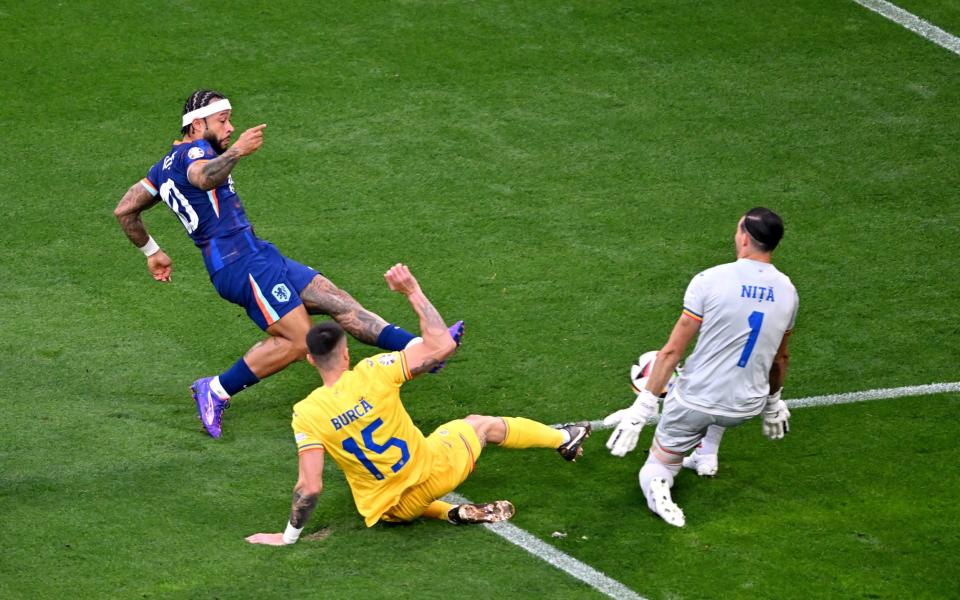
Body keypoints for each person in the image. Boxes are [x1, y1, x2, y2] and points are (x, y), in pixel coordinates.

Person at [114, 90, 459, 438]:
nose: (231, 127)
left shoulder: (161, 168)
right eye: (223, 120)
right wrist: (238, 151)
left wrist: (152, 252)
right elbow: (204, 177)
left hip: (258, 255)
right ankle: (215, 389)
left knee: (337, 301)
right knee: (298, 341)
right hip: (239, 265)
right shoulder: (195, 152)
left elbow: (125, 209)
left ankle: (420, 349)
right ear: (197, 124)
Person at [245, 263, 591, 545]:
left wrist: (287, 537)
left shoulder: (305, 414)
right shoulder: (375, 371)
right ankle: (565, 439)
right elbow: (441, 346)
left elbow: (311, 487)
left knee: (370, 488)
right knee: (478, 425)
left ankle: (449, 512)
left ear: (310, 360)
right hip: (435, 474)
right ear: (347, 353)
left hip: (390, 510)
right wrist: (412, 291)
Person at [604, 208, 798, 527]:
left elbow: (671, 352)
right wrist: (773, 404)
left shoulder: (710, 280)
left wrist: (643, 407)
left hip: (694, 403)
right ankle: (706, 456)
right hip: (745, 408)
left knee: (659, 465)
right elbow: (780, 359)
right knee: (729, 379)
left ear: (744, 237)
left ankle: (659, 490)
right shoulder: (789, 291)